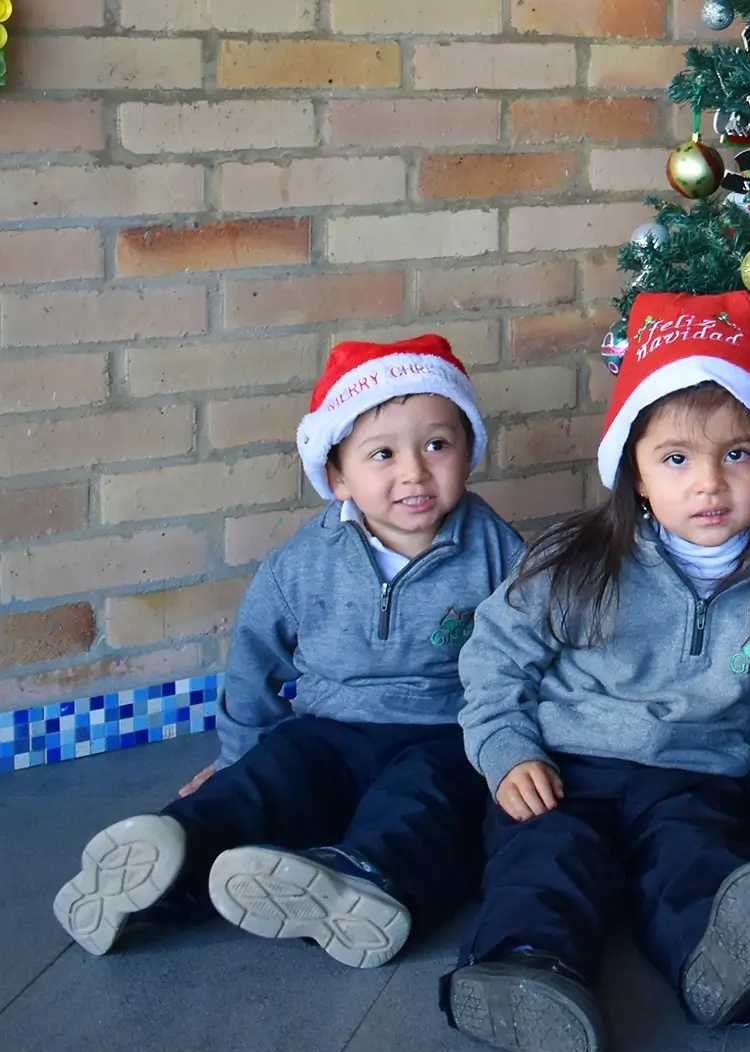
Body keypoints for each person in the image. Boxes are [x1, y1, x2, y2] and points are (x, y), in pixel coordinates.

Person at [53, 335, 522, 968]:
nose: (414, 470)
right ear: (336, 475)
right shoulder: (302, 565)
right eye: (381, 454)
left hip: (443, 730)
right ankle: (169, 860)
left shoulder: (495, 548)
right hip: (327, 729)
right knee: (271, 783)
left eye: (437, 444)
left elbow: (530, 642)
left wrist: (518, 746)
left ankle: (361, 882)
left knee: (426, 804)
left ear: (469, 451)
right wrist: (236, 758)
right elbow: (256, 663)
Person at [445, 292, 750, 1052]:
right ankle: (527, 965)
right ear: (636, 474)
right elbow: (494, 657)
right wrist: (506, 751)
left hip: (697, 776)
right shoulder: (577, 561)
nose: (709, 482)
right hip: (568, 768)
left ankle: (715, 965)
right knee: (547, 856)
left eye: (738, 454)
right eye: (677, 458)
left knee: (697, 862)